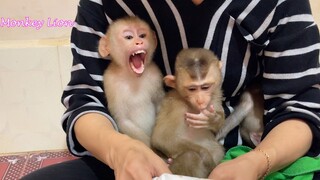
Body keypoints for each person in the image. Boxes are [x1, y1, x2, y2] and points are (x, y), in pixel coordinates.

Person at [22, 0, 320, 179]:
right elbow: (85, 100)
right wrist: (121, 151)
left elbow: (301, 106)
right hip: (135, 162)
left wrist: (257, 162)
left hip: (246, 157)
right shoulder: (108, 7)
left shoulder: (278, 5)